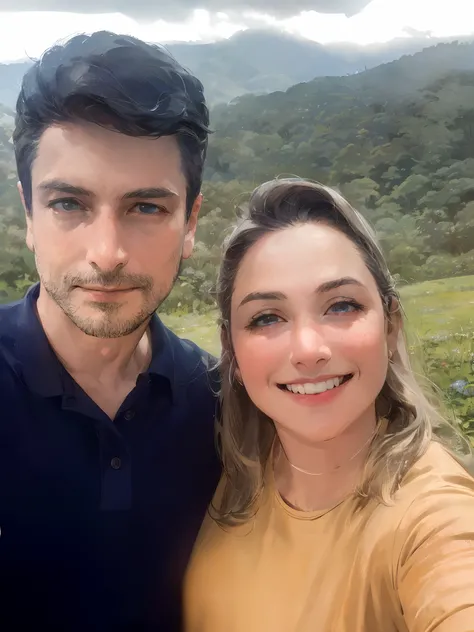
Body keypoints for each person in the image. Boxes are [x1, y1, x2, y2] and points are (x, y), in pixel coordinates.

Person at [0, 31, 220, 631]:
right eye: (69, 203)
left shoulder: (227, 406)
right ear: (29, 214)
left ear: (190, 221)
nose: (107, 253)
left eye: (146, 207)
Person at [184, 178, 474, 632]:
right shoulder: (236, 470)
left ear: (390, 325)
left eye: (340, 306)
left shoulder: (432, 513)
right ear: (232, 350)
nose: (307, 349)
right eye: (267, 318)